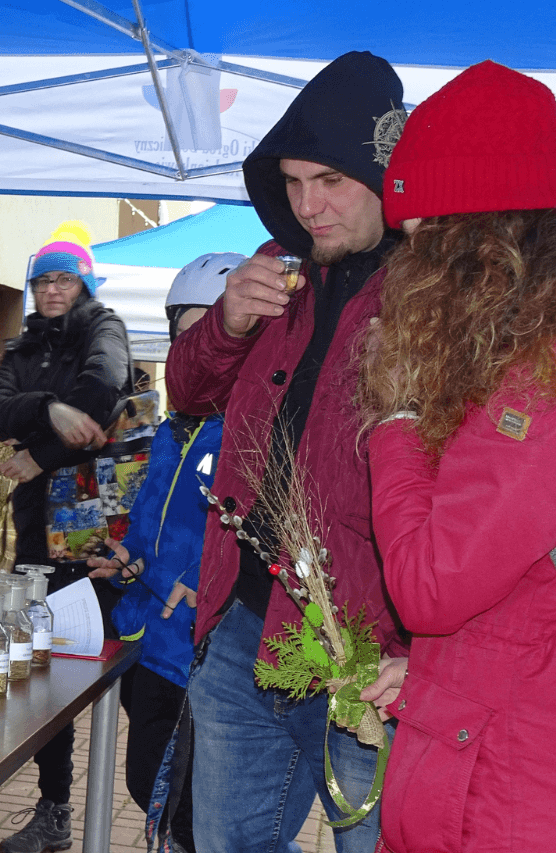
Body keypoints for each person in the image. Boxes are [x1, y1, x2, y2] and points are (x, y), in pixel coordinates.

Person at [356, 61, 556, 853]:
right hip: (498, 761)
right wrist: (436, 681)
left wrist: (395, 416)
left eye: (425, 237)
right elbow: (521, 580)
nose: (410, 267)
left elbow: (432, 582)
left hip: (530, 794)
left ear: (483, 239)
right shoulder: (532, 344)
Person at [165, 51, 410, 853]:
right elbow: (189, 394)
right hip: (242, 627)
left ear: (385, 175)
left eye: (331, 181)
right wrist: (226, 320)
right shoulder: (278, 276)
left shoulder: (434, 294)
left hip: (367, 649)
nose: (309, 205)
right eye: (295, 182)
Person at [0, 221, 132, 853]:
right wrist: (51, 408)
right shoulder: (19, 350)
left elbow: (101, 399)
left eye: (63, 278)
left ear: (84, 283)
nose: (51, 289)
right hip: (33, 535)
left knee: (110, 670)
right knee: (46, 672)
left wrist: (40, 453)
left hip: (92, 535)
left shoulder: (104, 329)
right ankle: (55, 809)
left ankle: (160, 811)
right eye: (42, 279)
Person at [87, 252, 241, 852]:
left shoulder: (256, 427)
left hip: (206, 656)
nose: (202, 351)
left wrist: (210, 583)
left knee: (197, 814)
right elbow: (157, 526)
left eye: (215, 333)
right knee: (148, 783)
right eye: (186, 337)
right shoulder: (176, 428)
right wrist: (130, 560)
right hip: (149, 640)